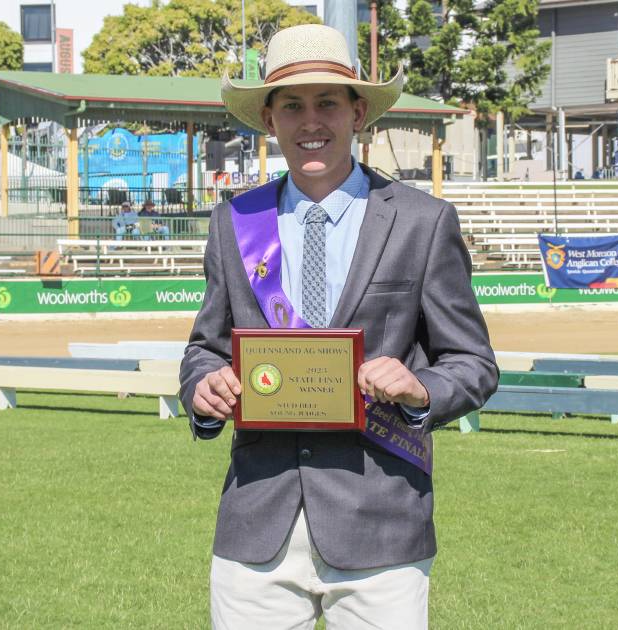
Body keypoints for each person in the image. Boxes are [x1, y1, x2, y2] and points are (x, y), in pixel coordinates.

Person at [179, 23, 498, 629]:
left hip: (381, 526)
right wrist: (201, 387)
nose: (311, 121)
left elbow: (474, 364)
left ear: (358, 113)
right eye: (292, 106)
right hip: (256, 526)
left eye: (328, 102)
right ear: (268, 121)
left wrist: (420, 388)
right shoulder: (233, 220)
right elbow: (204, 348)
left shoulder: (422, 222)